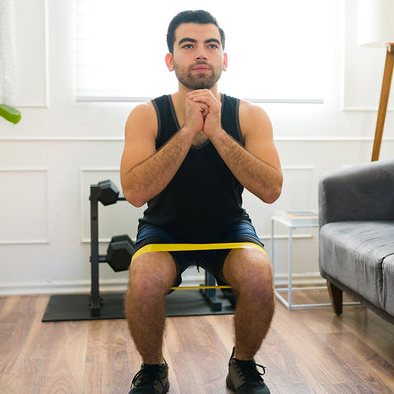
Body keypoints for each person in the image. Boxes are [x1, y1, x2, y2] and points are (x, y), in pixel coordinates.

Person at [119, 9, 283, 394]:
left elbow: (271, 189)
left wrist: (218, 133)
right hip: (165, 229)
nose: (201, 54)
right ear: (170, 59)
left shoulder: (250, 115)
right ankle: (153, 369)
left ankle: (242, 365)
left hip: (228, 226)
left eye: (212, 45)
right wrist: (189, 130)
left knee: (259, 275)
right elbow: (135, 193)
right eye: (188, 45)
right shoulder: (146, 115)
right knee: (142, 282)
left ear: (224, 59)